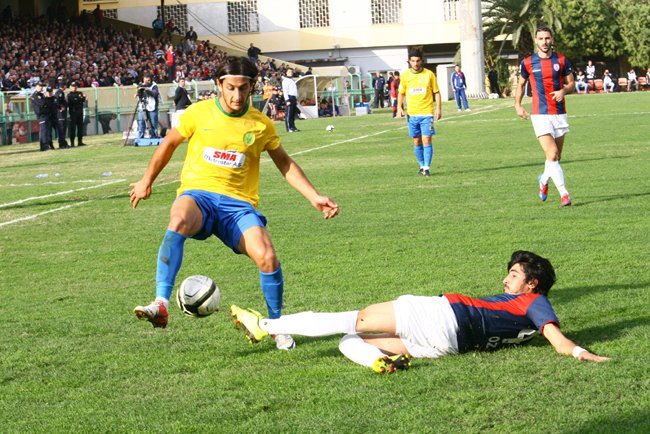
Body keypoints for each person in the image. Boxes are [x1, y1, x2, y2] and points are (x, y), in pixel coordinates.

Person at [130, 56, 340, 351]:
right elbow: (169, 143)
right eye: (230, 88)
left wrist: (314, 196)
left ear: (252, 86)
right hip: (198, 195)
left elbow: (284, 163)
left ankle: (277, 326)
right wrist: (146, 180)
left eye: (244, 88)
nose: (237, 96)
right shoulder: (198, 113)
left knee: (267, 257)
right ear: (219, 84)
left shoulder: (260, 124)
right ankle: (161, 303)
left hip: (238, 206)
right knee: (177, 218)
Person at [231, 250, 610, 373]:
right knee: (352, 340)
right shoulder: (523, 313)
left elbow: (557, 339)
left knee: (353, 319)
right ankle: (381, 362)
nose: (506, 280)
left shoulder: (536, 302)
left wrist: (581, 352)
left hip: (443, 316)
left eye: (514, 275)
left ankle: (264, 324)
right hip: (450, 345)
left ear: (532, 285)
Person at [515, 26, 575, 207]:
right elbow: (520, 84)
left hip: (559, 113)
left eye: (547, 38)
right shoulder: (527, 63)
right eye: (541, 39)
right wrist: (517, 104)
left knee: (555, 158)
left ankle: (544, 179)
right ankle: (564, 194)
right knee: (553, 153)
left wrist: (563, 90)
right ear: (536, 40)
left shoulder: (562, 60)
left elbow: (572, 83)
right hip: (540, 114)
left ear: (552, 39)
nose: (544, 42)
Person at [396, 49, 442, 177]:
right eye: (413, 61)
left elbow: (436, 92)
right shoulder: (405, 75)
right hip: (412, 114)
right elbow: (401, 92)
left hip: (427, 113)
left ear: (421, 61)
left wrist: (438, 108)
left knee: (426, 139)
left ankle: (427, 167)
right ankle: (421, 166)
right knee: (416, 141)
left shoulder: (429, 74)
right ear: (409, 61)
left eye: (417, 61)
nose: (415, 63)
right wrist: (399, 107)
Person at [31, 82, 53, 151]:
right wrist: (45, 102)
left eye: (42, 86)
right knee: (43, 131)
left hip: (46, 114)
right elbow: (42, 103)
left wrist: (45, 103)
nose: (41, 87)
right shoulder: (35, 95)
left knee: (47, 130)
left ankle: (47, 144)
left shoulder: (42, 95)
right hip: (41, 115)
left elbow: (47, 104)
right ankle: (44, 146)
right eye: (40, 86)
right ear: (36, 86)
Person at [136, 73, 160, 138]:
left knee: (153, 123)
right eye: (145, 80)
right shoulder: (141, 85)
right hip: (142, 106)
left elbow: (154, 94)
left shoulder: (154, 86)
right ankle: (140, 137)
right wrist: (138, 92)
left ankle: (154, 136)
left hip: (152, 107)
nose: (147, 82)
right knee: (141, 122)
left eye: (148, 80)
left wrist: (147, 89)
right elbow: (139, 95)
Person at [67, 81, 86, 147]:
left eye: (75, 86)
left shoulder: (79, 93)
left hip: (80, 112)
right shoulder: (69, 95)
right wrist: (80, 98)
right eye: (73, 86)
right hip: (73, 113)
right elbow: (73, 101)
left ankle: (80, 141)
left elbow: (83, 99)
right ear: (70, 87)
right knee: (73, 128)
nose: (74, 87)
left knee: (80, 128)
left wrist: (81, 98)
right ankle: (72, 142)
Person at [281, 67, 299, 132]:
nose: (290, 73)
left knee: (292, 113)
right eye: (289, 72)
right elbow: (285, 91)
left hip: (293, 97)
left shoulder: (292, 80)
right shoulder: (285, 80)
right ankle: (289, 128)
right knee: (289, 114)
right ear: (286, 73)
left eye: (291, 72)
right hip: (289, 97)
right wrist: (287, 100)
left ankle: (293, 127)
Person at [53, 82, 69, 148]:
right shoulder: (60, 93)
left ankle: (63, 143)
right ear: (63, 86)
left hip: (62, 113)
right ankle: (62, 144)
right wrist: (60, 107)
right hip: (60, 114)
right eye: (65, 86)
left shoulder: (60, 92)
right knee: (61, 128)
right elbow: (56, 102)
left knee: (63, 128)